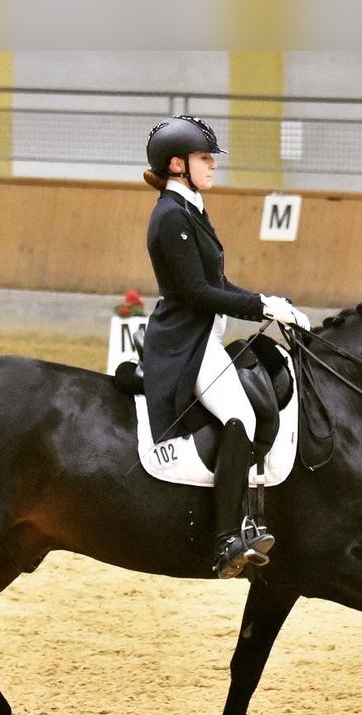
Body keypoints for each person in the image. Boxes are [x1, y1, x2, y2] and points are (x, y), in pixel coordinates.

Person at [141, 115, 310, 579]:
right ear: (177, 164)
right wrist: (260, 308)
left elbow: (217, 282)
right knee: (241, 415)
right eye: (203, 157)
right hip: (185, 344)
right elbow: (196, 292)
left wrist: (268, 302)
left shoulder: (190, 208)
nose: (212, 165)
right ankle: (226, 538)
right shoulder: (171, 215)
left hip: (203, 336)